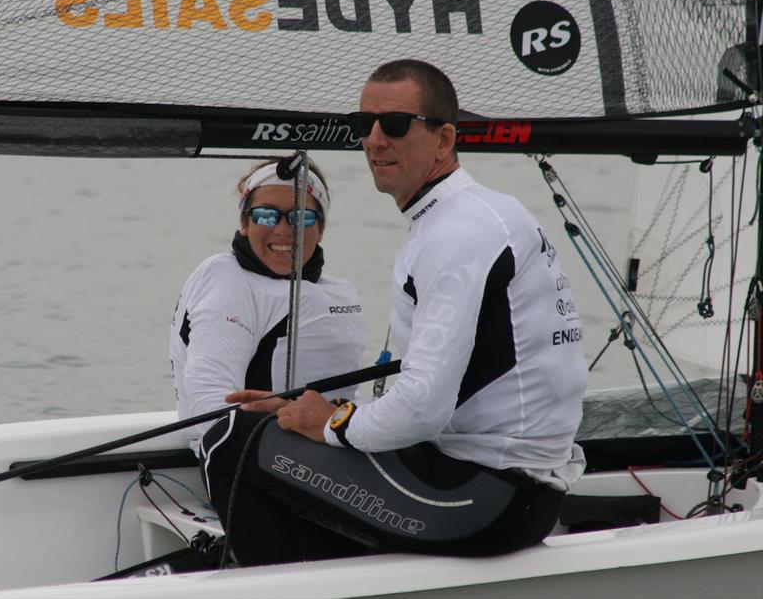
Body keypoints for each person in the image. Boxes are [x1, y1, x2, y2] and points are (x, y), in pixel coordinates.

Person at [224, 60, 589, 563]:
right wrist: (302, 409)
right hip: (499, 482)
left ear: (443, 140)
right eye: (362, 125)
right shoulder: (477, 213)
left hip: (488, 498)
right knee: (275, 425)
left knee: (236, 438)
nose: (374, 141)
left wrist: (330, 423)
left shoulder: (456, 233)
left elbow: (421, 407)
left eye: (394, 125)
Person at [169, 155, 368, 563]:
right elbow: (210, 408)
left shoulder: (334, 291)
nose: (282, 230)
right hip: (254, 463)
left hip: (328, 447)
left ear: (322, 227)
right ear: (244, 223)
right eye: (265, 215)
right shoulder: (229, 282)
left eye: (301, 218)